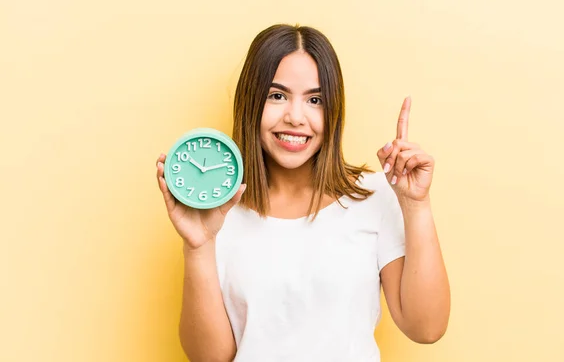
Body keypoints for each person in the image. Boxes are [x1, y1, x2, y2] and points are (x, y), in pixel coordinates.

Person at [155, 24, 450, 362]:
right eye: (276, 95)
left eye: (314, 100)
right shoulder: (218, 214)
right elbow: (211, 359)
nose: (296, 117)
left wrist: (416, 205)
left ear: (333, 110)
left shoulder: (374, 195)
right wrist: (198, 246)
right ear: (251, 102)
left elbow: (426, 328)